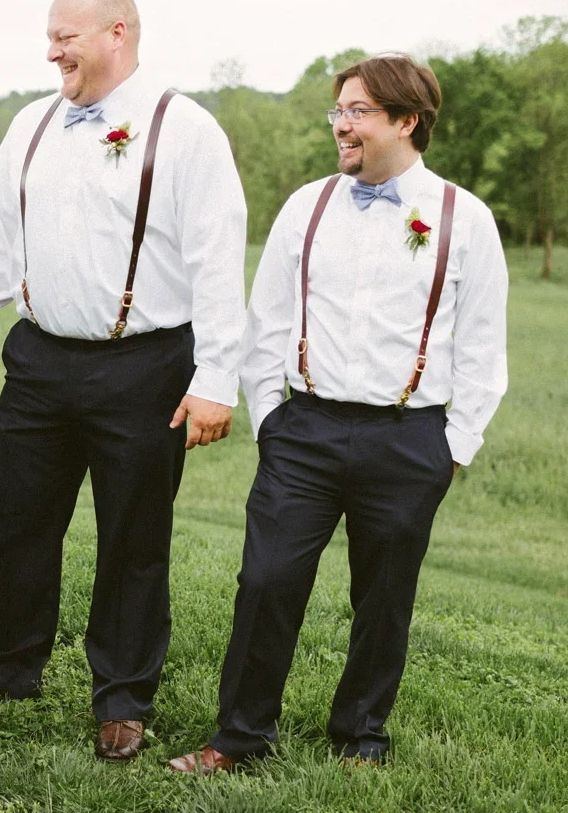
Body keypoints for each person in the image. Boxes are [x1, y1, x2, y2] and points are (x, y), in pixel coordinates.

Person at [168, 53, 509, 775]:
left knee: (384, 599)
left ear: (406, 122)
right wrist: (270, 417)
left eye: (356, 113)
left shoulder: (462, 218)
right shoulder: (308, 204)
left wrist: (453, 447)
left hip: (410, 437)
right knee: (265, 582)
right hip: (305, 430)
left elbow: (483, 344)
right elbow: (266, 321)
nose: (341, 127)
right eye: (339, 113)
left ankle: (360, 735)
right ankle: (238, 737)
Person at [0, 0, 248, 761]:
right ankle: (11, 665)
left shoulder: (185, 130)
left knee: (133, 536)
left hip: (145, 364)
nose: (51, 52)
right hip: (40, 358)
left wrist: (218, 376)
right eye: (49, 38)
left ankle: (122, 695)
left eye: (64, 37)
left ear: (117, 32)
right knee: (19, 521)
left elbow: (218, 259)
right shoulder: (32, 123)